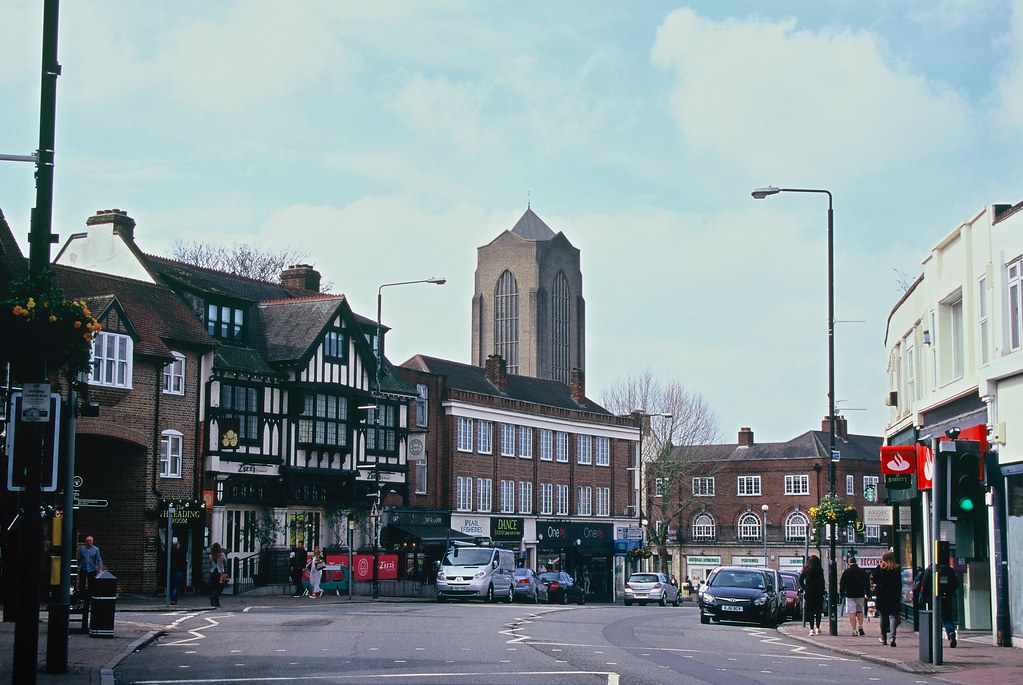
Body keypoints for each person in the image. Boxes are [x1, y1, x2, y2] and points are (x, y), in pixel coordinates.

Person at [918, 560, 960, 647]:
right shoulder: (949, 570)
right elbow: (955, 583)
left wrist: (926, 596)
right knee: (947, 617)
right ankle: (951, 632)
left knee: (934, 618)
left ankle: (935, 638)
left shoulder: (930, 570)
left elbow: (924, 584)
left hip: (932, 599)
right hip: (946, 597)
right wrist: (950, 593)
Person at [871, 550, 903, 647]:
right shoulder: (897, 568)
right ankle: (892, 637)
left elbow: (874, 579)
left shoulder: (880, 568)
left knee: (883, 617)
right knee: (893, 616)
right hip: (894, 595)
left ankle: (883, 638)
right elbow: (899, 583)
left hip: (882, 595)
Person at [839, 556, 870, 636]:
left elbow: (842, 584)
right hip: (860, 593)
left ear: (849, 563)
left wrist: (841, 593)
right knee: (860, 611)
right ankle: (860, 625)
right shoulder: (862, 571)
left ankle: (854, 630)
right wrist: (868, 593)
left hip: (850, 594)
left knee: (852, 612)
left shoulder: (846, 572)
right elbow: (867, 583)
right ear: (856, 562)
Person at [77, 535, 104, 621]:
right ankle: (82, 597)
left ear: (92, 541)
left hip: (91, 569)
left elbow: (99, 560)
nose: (88, 542)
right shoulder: (82, 549)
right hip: (84, 569)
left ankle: (90, 598)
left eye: (90, 541)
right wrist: (76, 567)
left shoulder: (95, 549)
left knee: (91, 584)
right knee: (81, 583)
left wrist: (100, 569)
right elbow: (79, 559)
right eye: (87, 541)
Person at [799, 554, 826, 636]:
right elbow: (822, 582)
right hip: (818, 593)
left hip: (810, 593)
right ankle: (818, 628)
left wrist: (805, 588)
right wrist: (822, 590)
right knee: (818, 611)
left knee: (810, 611)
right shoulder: (819, 570)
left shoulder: (806, 569)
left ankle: (811, 629)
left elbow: (800, 580)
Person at [209, 542, 227, 608]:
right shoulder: (222, 555)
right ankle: (216, 602)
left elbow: (210, 564)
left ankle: (213, 598)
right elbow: (225, 563)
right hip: (220, 573)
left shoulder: (211, 555)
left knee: (213, 587)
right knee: (220, 587)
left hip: (213, 572)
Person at [170, 537, 186, 605]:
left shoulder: (171, 551)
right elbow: (183, 560)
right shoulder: (180, 551)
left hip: (172, 570)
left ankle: (172, 599)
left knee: (172, 585)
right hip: (178, 570)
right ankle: (174, 599)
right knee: (176, 586)